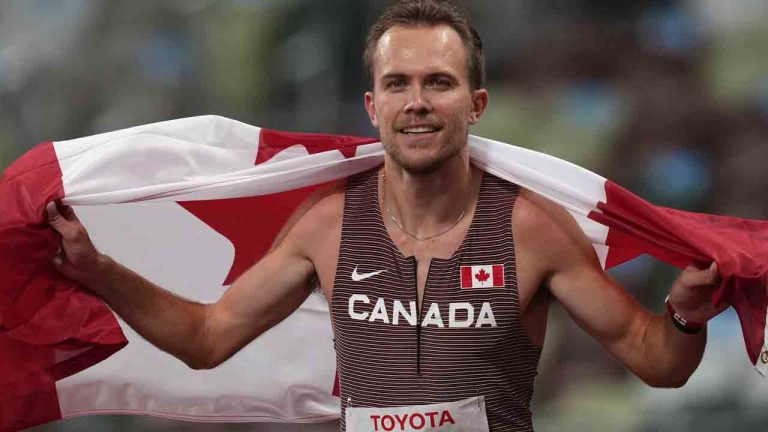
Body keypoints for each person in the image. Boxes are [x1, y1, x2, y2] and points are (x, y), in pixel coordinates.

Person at [46, 0, 727, 430]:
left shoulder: (531, 229)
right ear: (373, 107)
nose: (417, 102)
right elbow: (206, 338)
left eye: (439, 83)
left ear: (476, 105)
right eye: (397, 84)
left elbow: (656, 361)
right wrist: (99, 271)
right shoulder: (328, 226)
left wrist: (685, 316)